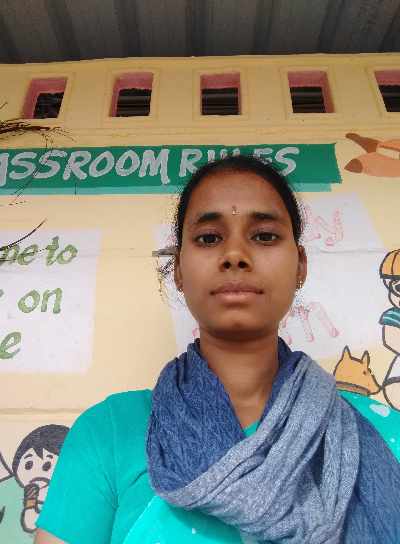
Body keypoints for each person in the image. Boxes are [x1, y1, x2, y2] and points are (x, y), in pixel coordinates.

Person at [34, 156, 400, 544]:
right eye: (209, 238)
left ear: (300, 266)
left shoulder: (384, 433)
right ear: (178, 269)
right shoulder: (108, 433)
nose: (235, 254)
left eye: (264, 236)